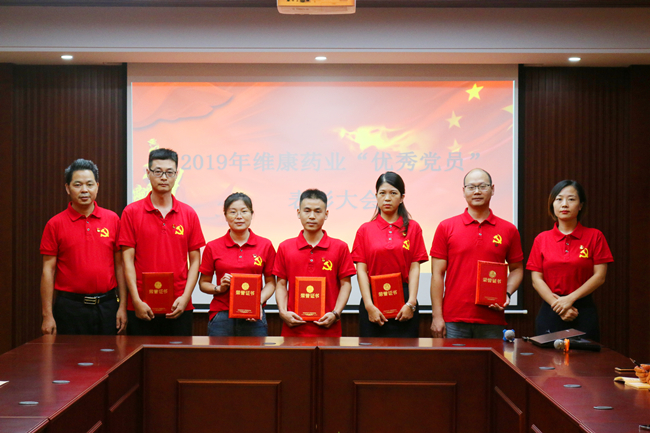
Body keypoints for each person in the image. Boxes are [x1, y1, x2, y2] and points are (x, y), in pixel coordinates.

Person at [119, 148, 205, 336]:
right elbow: (127, 261)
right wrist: (136, 300)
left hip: (179, 305)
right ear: (148, 173)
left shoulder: (189, 214)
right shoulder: (131, 212)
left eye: (169, 172)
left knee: (178, 355)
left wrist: (185, 297)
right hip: (141, 306)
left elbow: (195, 261)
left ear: (176, 174)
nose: (164, 177)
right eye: (158, 172)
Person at [430, 168, 524, 339]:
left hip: (492, 318)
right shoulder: (446, 227)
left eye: (482, 186)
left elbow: (517, 269)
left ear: (492, 189)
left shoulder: (509, 230)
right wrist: (437, 316)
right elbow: (437, 274)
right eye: (471, 187)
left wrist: (506, 293)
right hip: (454, 319)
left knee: (491, 358)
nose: (477, 191)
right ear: (463, 191)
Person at [40, 159, 127, 335]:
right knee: (69, 353)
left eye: (89, 184)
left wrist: (122, 307)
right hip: (70, 308)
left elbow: (120, 266)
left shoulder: (113, 220)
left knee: (109, 353)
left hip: (107, 306)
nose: (84, 190)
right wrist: (47, 315)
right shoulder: (54, 224)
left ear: (97, 186)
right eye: (78, 185)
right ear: (67, 188)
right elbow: (48, 271)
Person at [527, 180, 613, 342]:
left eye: (571, 199)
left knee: (584, 357)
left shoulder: (595, 236)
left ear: (580, 205)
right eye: (559, 199)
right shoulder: (541, 239)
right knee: (547, 357)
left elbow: (599, 276)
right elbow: (536, 279)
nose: (564, 204)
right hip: (551, 309)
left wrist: (569, 299)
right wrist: (559, 305)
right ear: (552, 204)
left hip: (583, 310)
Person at [352, 172, 428, 338]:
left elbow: (414, 268)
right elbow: (361, 271)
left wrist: (411, 303)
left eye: (393, 193)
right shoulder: (364, 230)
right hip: (373, 303)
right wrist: (369, 306)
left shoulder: (413, 228)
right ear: (376, 196)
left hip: (405, 303)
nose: (387, 198)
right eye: (382, 193)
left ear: (402, 198)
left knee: (406, 352)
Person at [273, 189, 356, 337]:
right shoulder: (285, 247)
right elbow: (280, 284)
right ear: (298, 213)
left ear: (326, 214)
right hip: (294, 330)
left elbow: (346, 285)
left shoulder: (340, 247)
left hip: (329, 330)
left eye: (318, 211)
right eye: (307, 211)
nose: (312, 216)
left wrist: (336, 313)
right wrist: (283, 312)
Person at [198, 193, 276, 336]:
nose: (239, 216)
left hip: (255, 315)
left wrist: (257, 302)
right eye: (233, 212)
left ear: (252, 214)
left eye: (244, 211)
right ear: (225, 216)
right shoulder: (213, 246)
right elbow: (203, 283)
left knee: (256, 351)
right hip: (222, 315)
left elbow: (271, 283)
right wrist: (219, 288)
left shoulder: (265, 245)